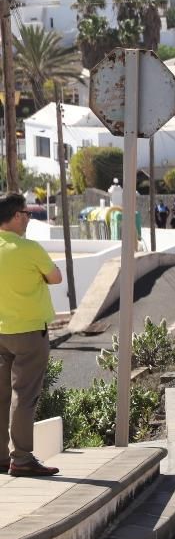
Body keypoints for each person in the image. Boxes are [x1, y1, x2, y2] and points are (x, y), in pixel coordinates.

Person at [0, 193, 62, 477]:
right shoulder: (29, 249)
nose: (28, 219)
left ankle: (2, 457)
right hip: (29, 332)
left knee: (1, 396)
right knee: (23, 397)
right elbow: (55, 277)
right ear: (15, 216)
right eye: (26, 213)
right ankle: (21, 459)